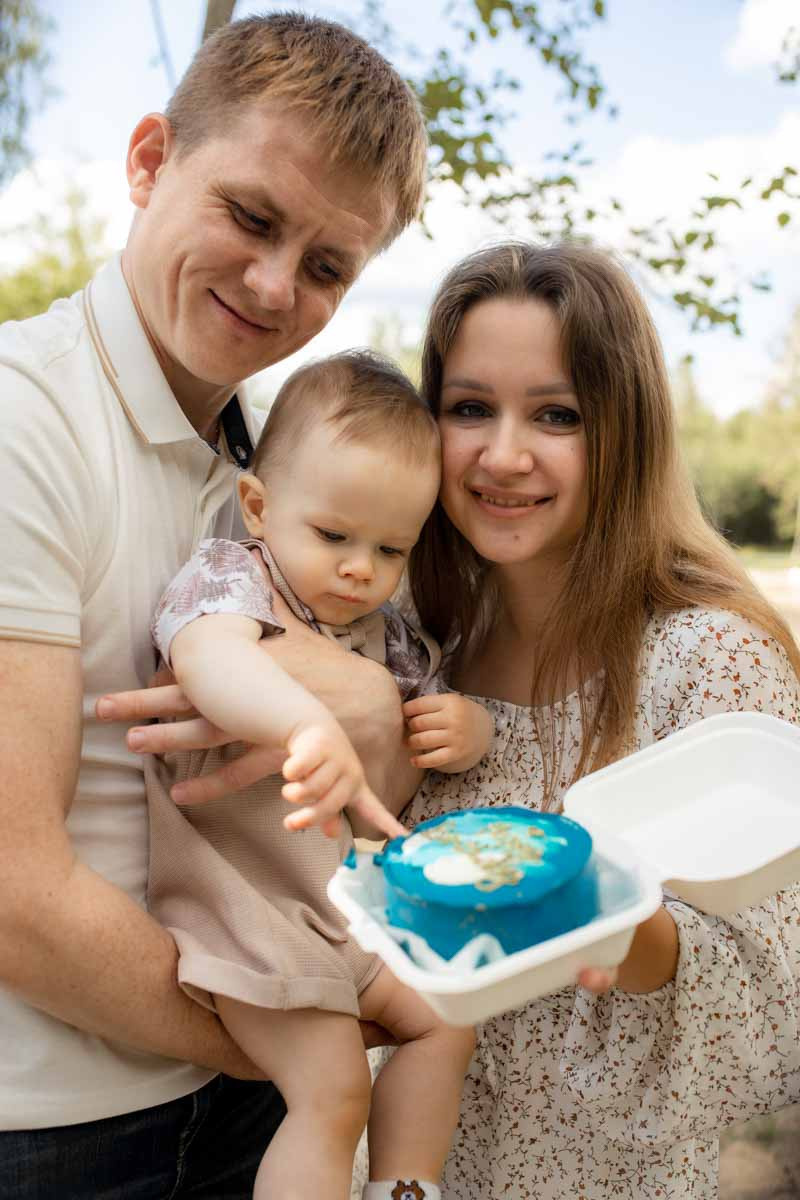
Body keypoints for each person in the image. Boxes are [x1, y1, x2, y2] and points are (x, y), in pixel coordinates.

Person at [0, 13, 428, 1197]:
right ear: (148, 161)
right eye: (249, 215)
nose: (275, 284)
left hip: (236, 1099)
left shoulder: (269, 461)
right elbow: (14, 895)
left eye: (329, 265)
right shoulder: (23, 424)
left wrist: (366, 710)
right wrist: (311, 1040)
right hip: (64, 1135)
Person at [390, 240, 800, 1199]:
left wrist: (627, 928)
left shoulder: (710, 660)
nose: (503, 454)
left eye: (557, 415)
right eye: (469, 408)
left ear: (625, 431)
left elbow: (775, 1016)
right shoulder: (418, 642)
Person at [147, 349, 486, 1200]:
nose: (359, 569)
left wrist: (466, 730)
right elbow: (208, 659)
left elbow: (414, 738)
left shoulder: (386, 632)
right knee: (332, 1095)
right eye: (334, 535)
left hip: (336, 911)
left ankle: (405, 1186)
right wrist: (303, 722)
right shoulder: (232, 578)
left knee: (445, 1018)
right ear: (257, 505)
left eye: (390, 548)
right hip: (242, 907)